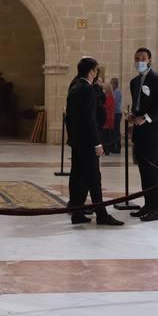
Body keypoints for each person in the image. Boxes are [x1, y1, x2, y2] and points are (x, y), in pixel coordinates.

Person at [65, 57, 123, 227]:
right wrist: (97, 143)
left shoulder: (75, 86)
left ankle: (76, 212)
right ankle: (101, 214)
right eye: (96, 70)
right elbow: (89, 119)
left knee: (78, 175)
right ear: (91, 71)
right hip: (88, 141)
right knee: (93, 178)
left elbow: (71, 118)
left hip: (77, 140)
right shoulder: (87, 89)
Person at [127, 47, 158, 221]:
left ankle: (157, 207)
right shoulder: (134, 82)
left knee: (152, 170)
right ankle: (149, 204)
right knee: (144, 170)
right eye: (137, 58)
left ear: (149, 60)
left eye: (143, 58)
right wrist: (133, 114)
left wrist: (145, 118)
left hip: (153, 131)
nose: (140, 61)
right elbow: (137, 104)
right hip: (140, 132)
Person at [109, 77, 123, 154]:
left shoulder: (118, 92)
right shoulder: (113, 92)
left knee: (116, 131)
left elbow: (113, 102)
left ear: (115, 84)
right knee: (112, 131)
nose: (111, 85)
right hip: (113, 114)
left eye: (111, 83)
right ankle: (112, 147)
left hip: (116, 114)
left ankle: (117, 148)